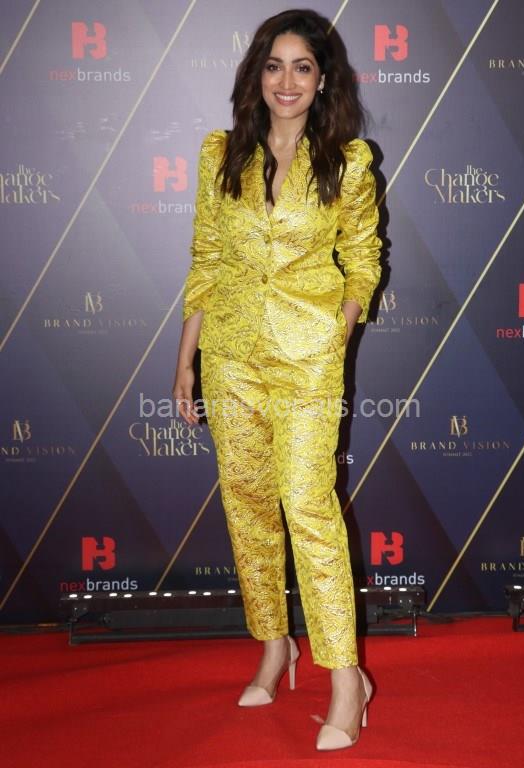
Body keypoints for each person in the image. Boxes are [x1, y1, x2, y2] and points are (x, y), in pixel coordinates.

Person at [173, 8, 382, 751]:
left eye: (302, 67)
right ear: (255, 74)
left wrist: (336, 331)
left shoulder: (347, 161)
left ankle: (346, 678)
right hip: (230, 354)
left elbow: (364, 261)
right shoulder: (221, 154)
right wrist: (185, 361)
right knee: (249, 504)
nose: (286, 81)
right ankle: (273, 646)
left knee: (309, 505)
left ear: (323, 79)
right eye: (273, 65)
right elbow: (205, 260)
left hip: (307, 359)